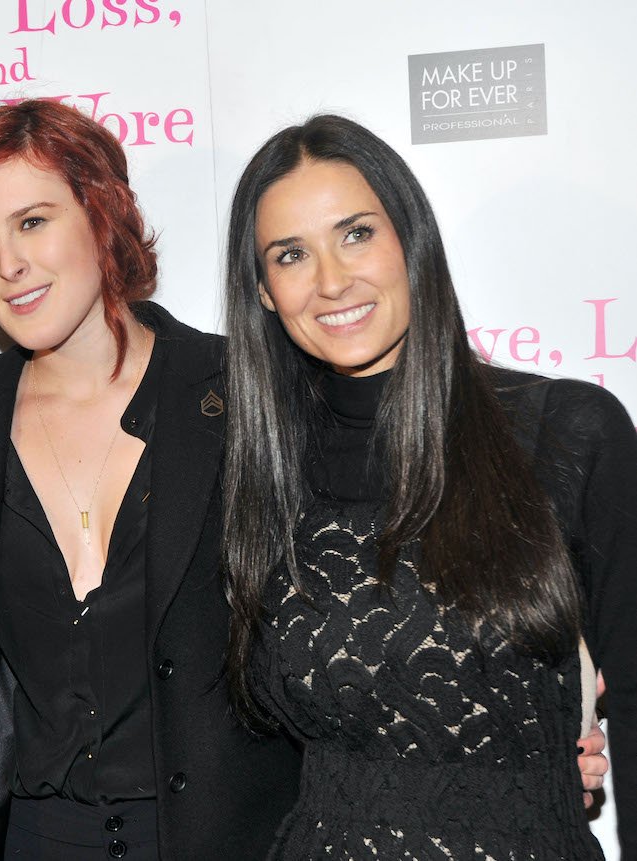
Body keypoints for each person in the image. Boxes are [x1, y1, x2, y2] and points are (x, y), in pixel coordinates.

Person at [221, 114, 636, 858]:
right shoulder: (256, 470)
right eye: (290, 254)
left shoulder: (566, 432)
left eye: (355, 233)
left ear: (410, 240)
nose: (331, 280)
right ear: (261, 290)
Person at [0, 98, 304, 861]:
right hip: (37, 839)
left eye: (32, 221)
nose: (8, 266)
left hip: (228, 837)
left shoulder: (242, 393)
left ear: (101, 214)